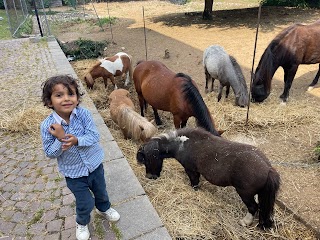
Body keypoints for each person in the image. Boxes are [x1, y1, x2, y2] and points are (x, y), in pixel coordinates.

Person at [40, 75, 120, 240]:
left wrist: (76, 140)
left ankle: (103, 208)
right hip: (74, 173)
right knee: (85, 203)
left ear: (77, 98)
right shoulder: (47, 126)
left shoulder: (84, 114)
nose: (67, 99)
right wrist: (61, 139)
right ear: (49, 102)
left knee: (101, 192)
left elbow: (93, 136)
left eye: (71, 94)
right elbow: (49, 152)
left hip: (95, 165)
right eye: (59, 95)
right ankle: (82, 222)